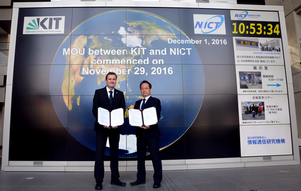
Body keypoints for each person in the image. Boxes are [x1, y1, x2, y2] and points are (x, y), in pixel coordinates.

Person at [92, 72, 126, 190]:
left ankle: (115, 178)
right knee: (99, 154)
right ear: (105, 80)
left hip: (115, 129)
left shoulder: (120, 94)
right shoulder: (98, 93)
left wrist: (117, 122)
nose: (112, 81)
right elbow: (95, 110)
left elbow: (122, 110)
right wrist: (103, 122)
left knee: (114, 154)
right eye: (110, 79)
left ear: (116, 81)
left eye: (114, 79)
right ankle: (99, 181)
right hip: (101, 128)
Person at [130, 80, 163, 189]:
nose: (144, 90)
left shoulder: (155, 101)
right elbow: (135, 117)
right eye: (142, 88)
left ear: (150, 89)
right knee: (140, 158)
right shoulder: (137, 103)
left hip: (152, 133)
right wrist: (137, 123)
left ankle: (157, 180)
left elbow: (156, 116)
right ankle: (140, 179)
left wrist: (150, 126)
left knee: (155, 157)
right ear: (140, 90)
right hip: (140, 133)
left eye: (146, 88)